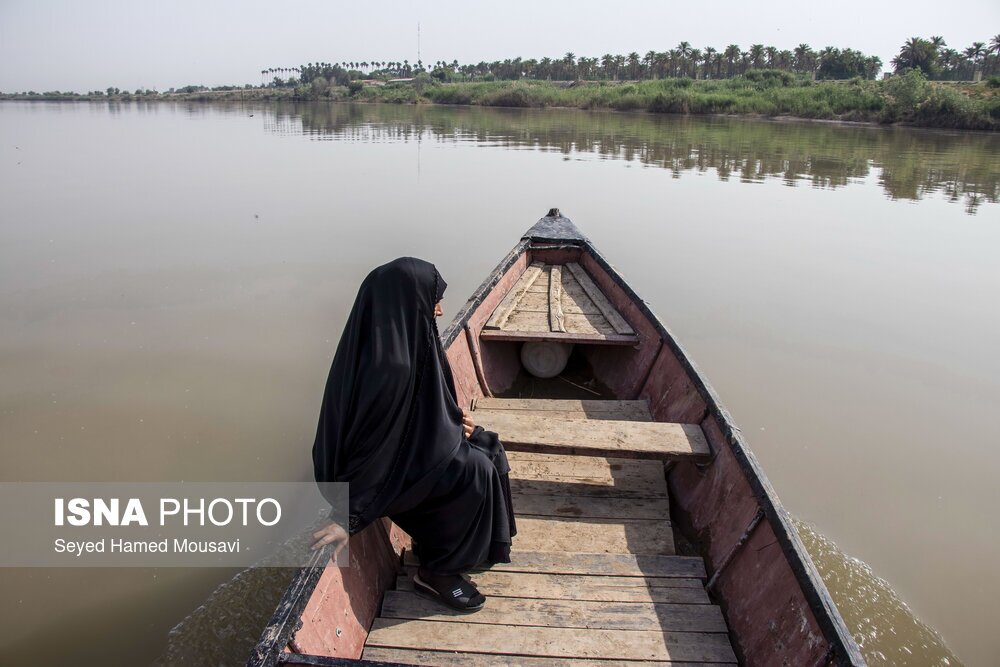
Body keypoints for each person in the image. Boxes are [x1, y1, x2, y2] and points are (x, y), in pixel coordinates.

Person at [309, 257, 516, 613]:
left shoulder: (404, 336)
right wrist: (349, 515)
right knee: (474, 471)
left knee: (487, 445)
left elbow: (422, 409)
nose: (439, 310)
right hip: (377, 475)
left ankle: (459, 544)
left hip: (403, 455)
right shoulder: (390, 368)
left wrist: (456, 422)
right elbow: (377, 446)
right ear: (409, 299)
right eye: (434, 300)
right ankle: (437, 572)